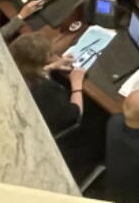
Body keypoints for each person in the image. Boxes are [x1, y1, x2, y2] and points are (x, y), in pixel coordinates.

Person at [10, 32, 105, 181]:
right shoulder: (45, 91)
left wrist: (53, 66)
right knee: (102, 116)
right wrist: (76, 84)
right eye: (50, 54)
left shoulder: (17, 74)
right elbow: (75, 115)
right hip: (64, 142)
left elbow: (34, 73)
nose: (54, 56)